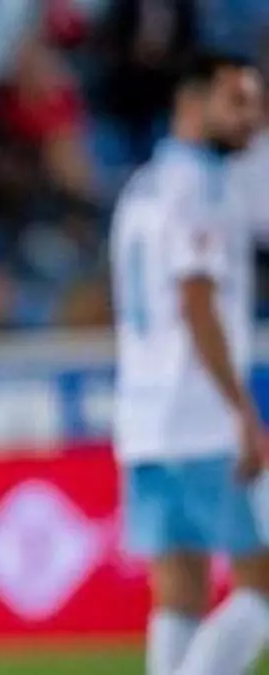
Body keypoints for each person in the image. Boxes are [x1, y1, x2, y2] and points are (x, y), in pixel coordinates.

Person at [110, 52, 269, 675]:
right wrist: (241, 410)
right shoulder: (200, 188)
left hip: (145, 419)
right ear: (192, 103)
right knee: (261, 588)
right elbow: (195, 301)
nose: (252, 118)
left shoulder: (142, 187)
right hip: (201, 416)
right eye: (237, 102)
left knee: (180, 590)